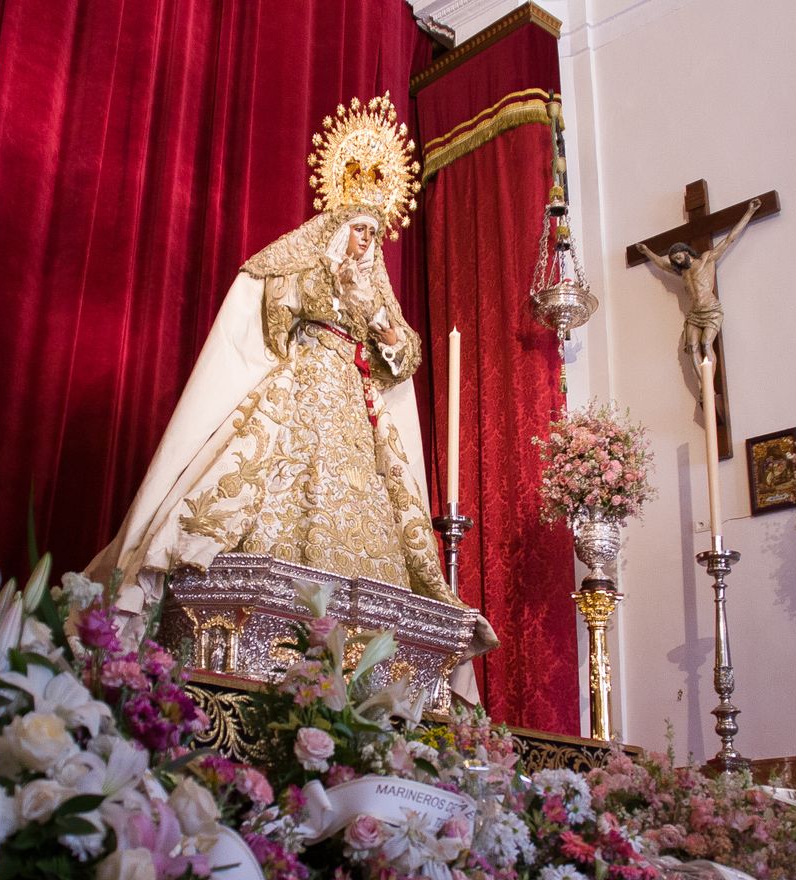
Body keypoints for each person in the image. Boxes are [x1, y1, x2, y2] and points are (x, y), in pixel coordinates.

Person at [86, 95, 494, 658]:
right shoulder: (306, 263)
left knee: (374, 513)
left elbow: (408, 357)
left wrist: (379, 321)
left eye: (375, 234)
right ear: (337, 225)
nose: (367, 242)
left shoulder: (376, 289)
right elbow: (276, 309)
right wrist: (328, 290)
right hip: (304, 387)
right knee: (265, 487)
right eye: (358, 230)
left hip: (356, 409)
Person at [636, 197, 761, 360]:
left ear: (686, 252)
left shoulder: (705, 260)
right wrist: (647, 252)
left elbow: (729, 239)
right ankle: (704, 383)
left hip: (710, 310)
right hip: (694, 313)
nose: (677, 261)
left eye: (679, 257)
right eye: (675, 260)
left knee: (706, 344)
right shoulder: (683, 273)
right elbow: (663, 265)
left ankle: (709, 384)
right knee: (692, 347)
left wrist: (749, 212)